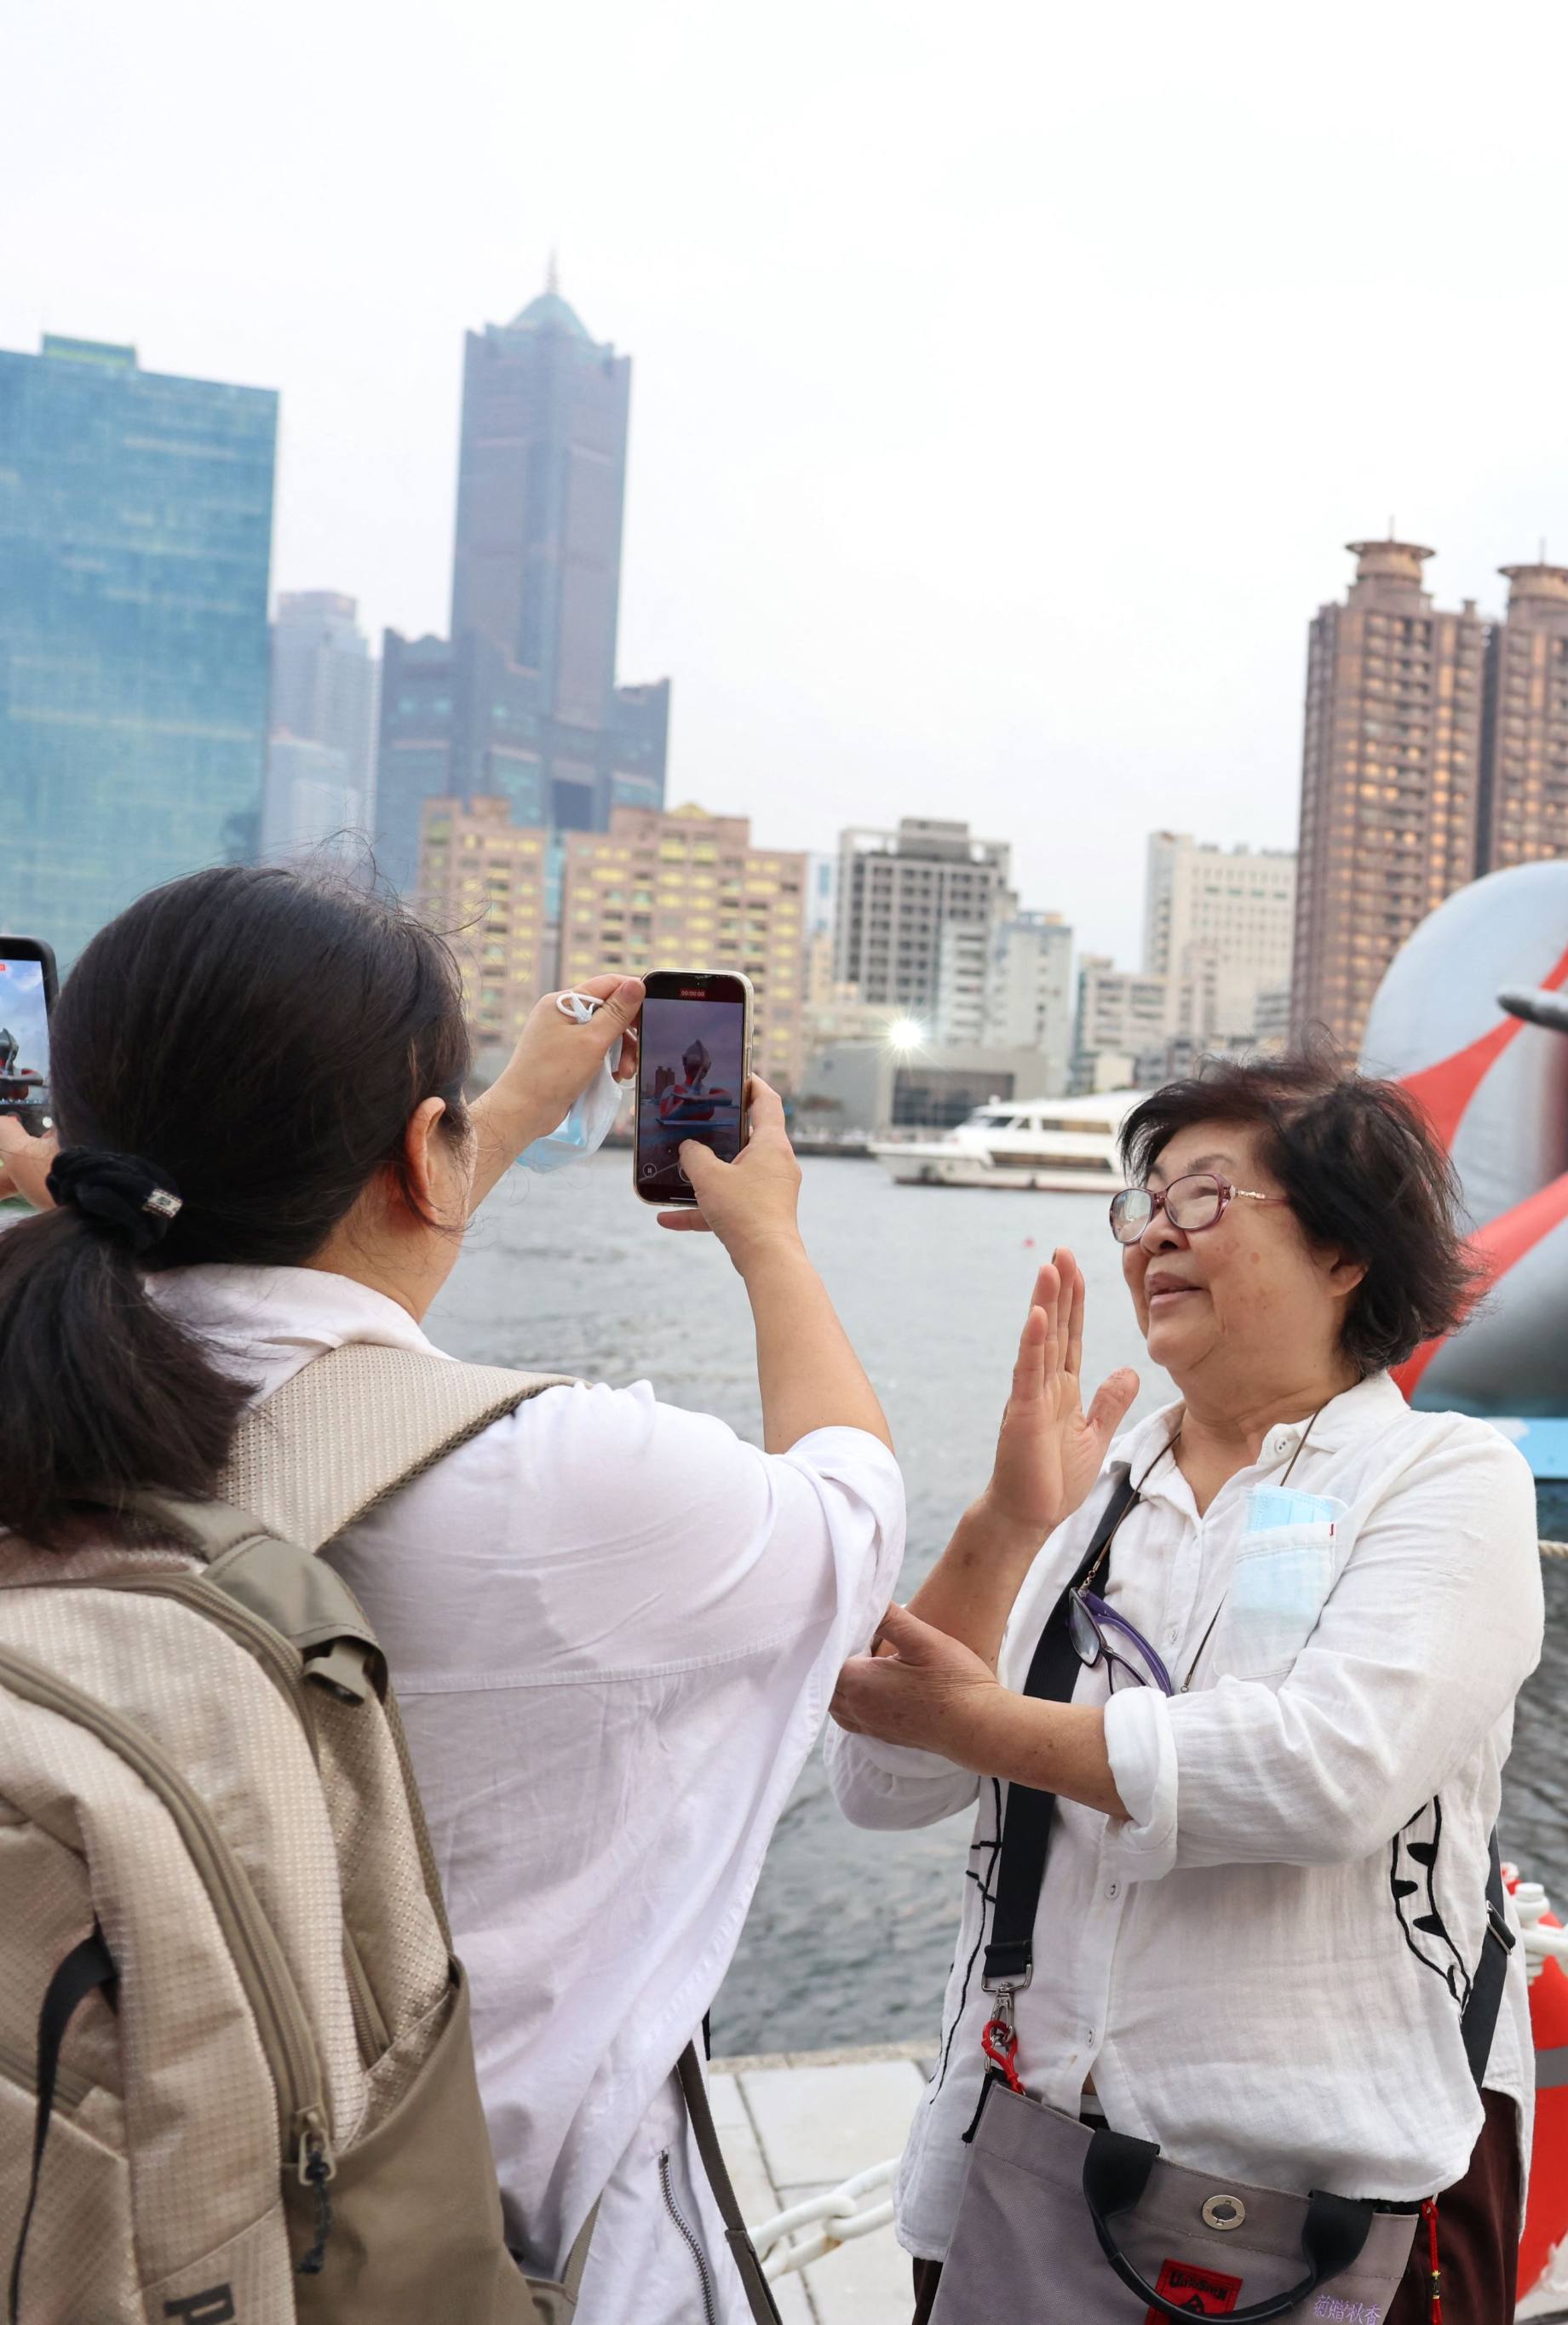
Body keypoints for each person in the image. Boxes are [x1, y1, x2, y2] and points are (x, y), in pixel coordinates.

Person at [0, 866, 904, 2321]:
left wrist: (487, 1126)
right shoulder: (559, 1481)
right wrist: (771, 1237)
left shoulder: (44, 1402)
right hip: (473, 2264)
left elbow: (277, 1296)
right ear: (426, 1155)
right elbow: (853, 1510)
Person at [826, 1053, 1543, 2322]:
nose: (1154, 1230)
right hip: (1025, 2177)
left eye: (1206, 1197)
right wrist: (1003, 1519)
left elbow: (1328, 1770)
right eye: (1145, 1200)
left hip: (1314, 2222)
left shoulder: (1447, 1477)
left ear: (1345, 1253)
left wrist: (988, 1722)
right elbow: (885, 1780)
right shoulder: (1096, 1498)